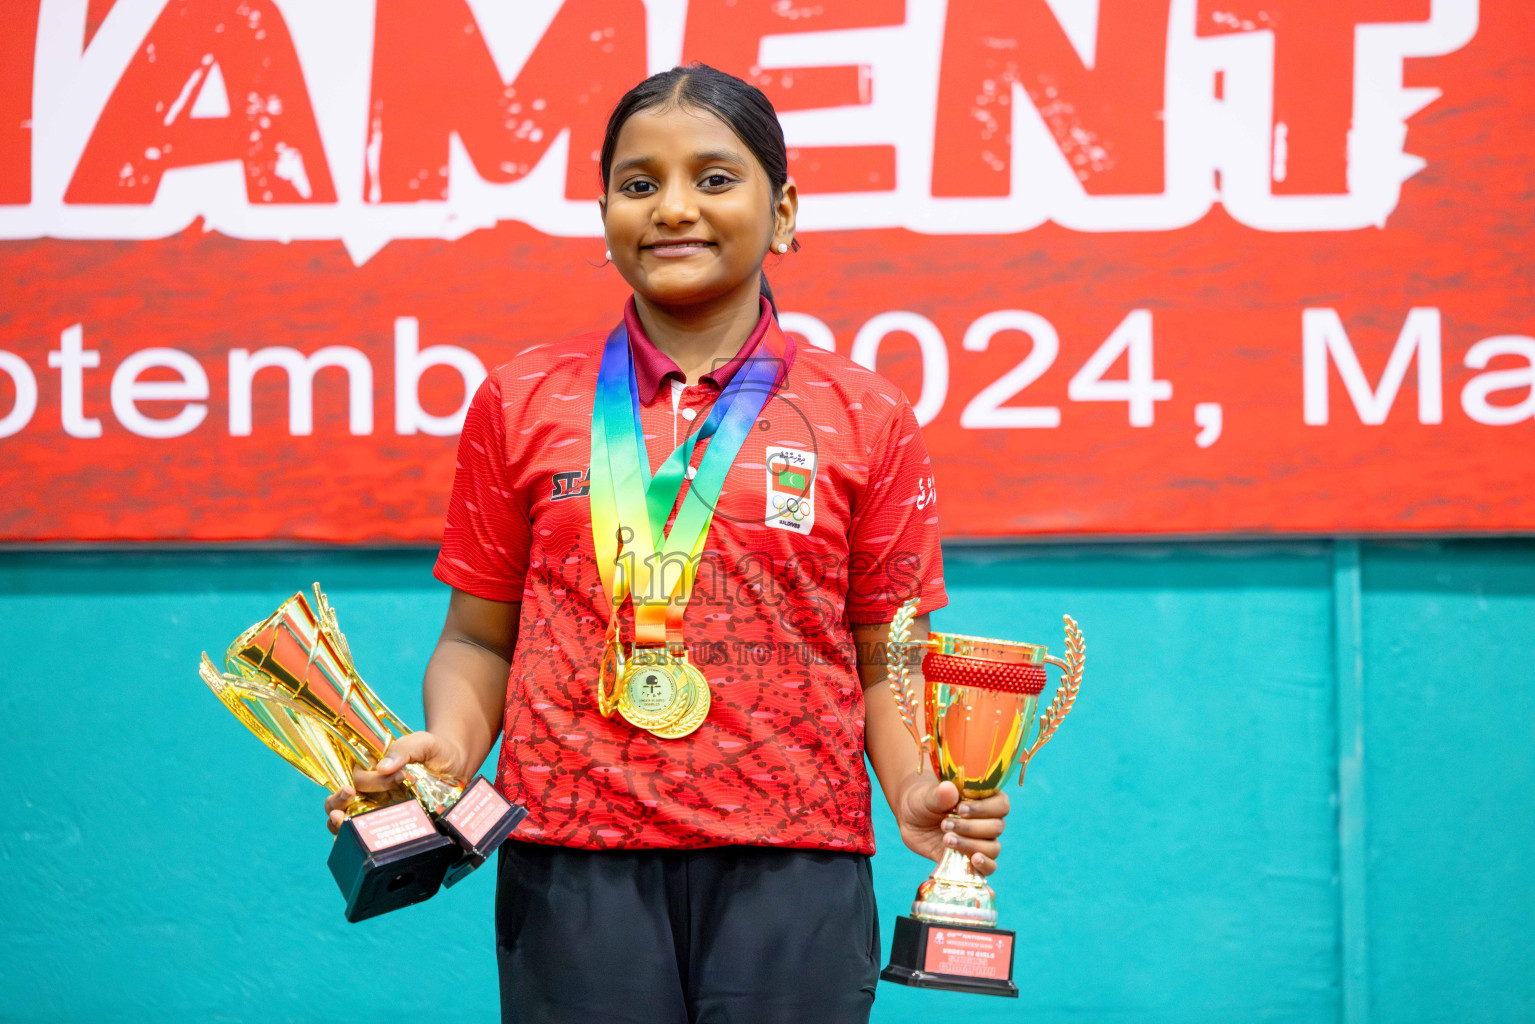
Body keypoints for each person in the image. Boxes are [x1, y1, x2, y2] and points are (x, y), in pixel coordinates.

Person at [324, 64, 1011, 1024]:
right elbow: (481, 639)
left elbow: (881, 659)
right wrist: (447, 750)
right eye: (638, 183)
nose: (672, 208)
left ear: (783, 210)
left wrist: (911, 790)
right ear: (603, 210)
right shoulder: (521, 401)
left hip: (796, 867)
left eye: (715, 178)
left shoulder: (866, 414)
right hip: (569, 860)